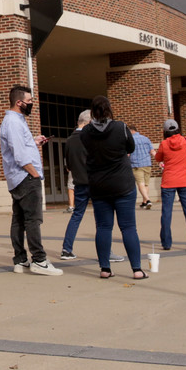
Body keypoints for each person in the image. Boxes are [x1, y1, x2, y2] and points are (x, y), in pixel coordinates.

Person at [0, 85, 62, 275]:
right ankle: (39, 260)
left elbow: (18, 146)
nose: (32, 104)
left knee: (18, 220)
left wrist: (34, 142)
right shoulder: (14, 122)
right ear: (19, 103)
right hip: (25, 177)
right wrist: (34, 173)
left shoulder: (15, 121)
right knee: (33, 219)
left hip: (18, 177)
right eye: (29, 101)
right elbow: (19, 154)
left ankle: (21, 260)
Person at [79, 96, 145, 278]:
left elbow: (86, 149)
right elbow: (130, 147)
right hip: (123, 184)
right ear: (109, 109)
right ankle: (137, 269)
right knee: (128, 227)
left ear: (92, 111)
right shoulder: (121, 127)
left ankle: (105, 269)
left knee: (103, 227)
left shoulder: (86, 132)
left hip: (99, 186)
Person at [155, 119, 186, 251]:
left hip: (169, 181)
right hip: (185, 180)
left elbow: (158, 158)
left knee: (166, 212)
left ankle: (166, 243)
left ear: (165, 131)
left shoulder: (164, 144)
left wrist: (155, 154)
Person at [60, 109, 93, 260]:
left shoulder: (69, 140)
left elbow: (68, 165)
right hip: (93, 181)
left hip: (78, 182)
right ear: (87, 122)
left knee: (76, 215)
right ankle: (106, 252)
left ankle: (66, 249)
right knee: (103, 219)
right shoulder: (89, 138)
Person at [129, 125, 154, 209]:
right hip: (147, 164)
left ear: (132, 131)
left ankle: (148, 200)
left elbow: (128, 153)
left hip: (136, 164)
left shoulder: (130, 140)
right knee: (146, 184)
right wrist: (160, 161)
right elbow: (152, 151)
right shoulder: (145, 138)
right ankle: (144, 202)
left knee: (141, 184)